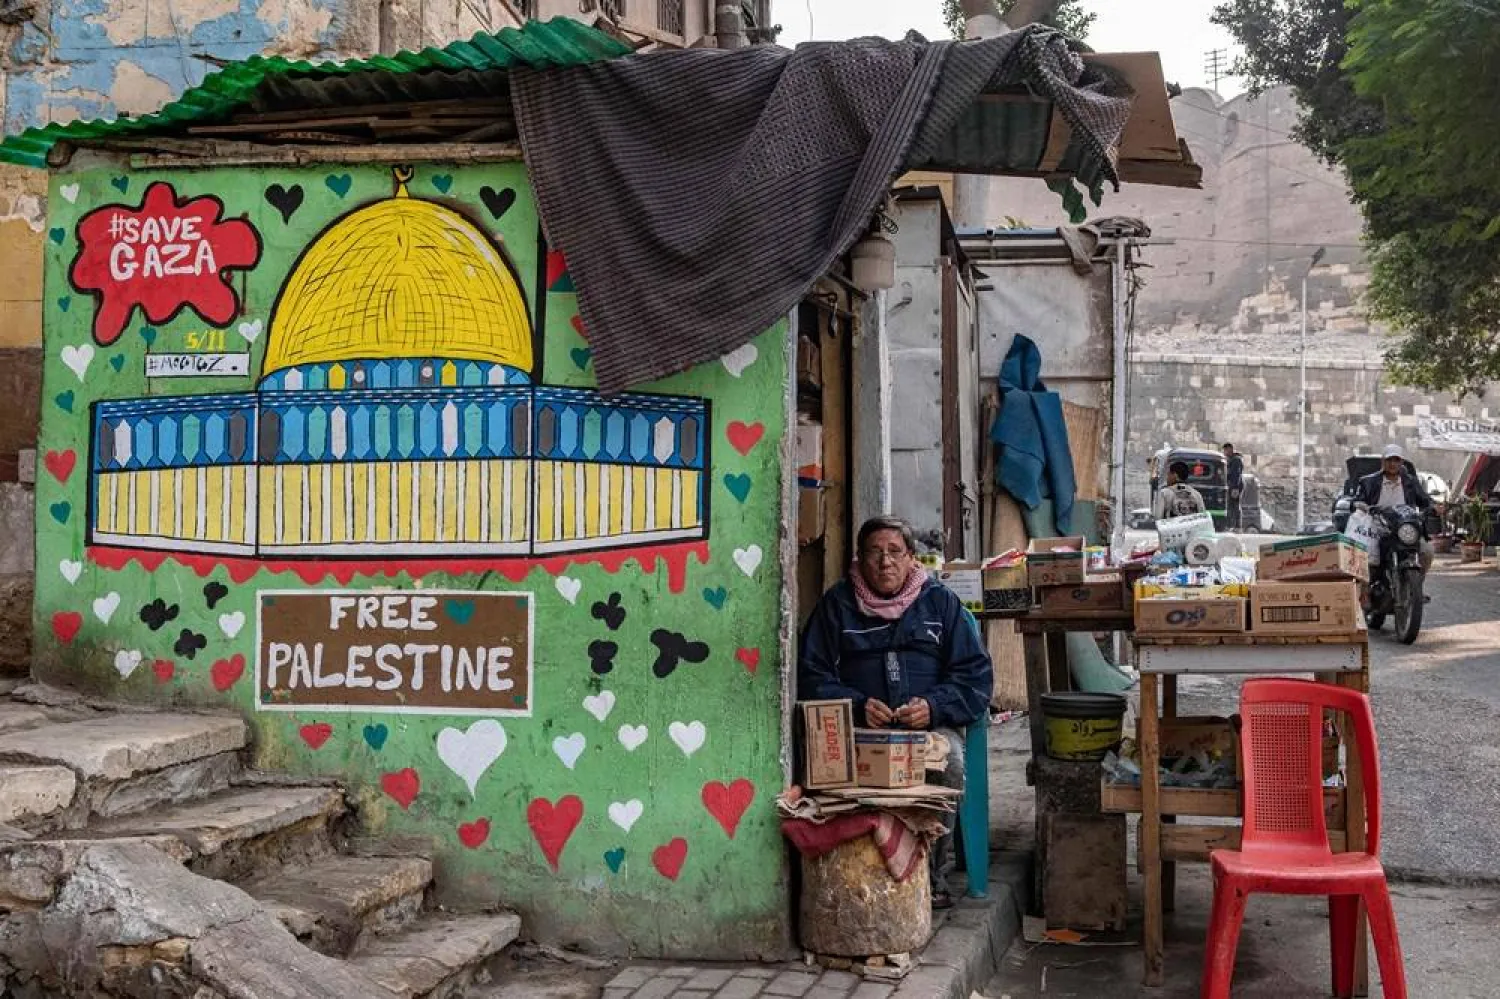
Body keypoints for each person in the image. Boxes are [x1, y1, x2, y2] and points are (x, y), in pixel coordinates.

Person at [798, 515, 994, 909]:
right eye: (874, 553)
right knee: (822, 767)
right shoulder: (837, 605)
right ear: (859, 558)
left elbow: (975, 677)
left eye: (894, 552)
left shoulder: (940, 603)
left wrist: (934, 706)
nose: (884, 562)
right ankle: (853, 882)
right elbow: (810, 673)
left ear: (910, 558)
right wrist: (855, 704)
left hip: (927, 729)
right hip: (859, 730)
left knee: (950, 761)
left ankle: (930, 877)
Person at [1357, 444, 1435, 571]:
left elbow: (1424, 500)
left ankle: (1416, 584)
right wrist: (1363, 506)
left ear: (1401, 462)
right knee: (1365, 554)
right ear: (1383, 461)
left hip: (1404, 528)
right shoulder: (1368, 482)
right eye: (1389, 460)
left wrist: (1433, 507)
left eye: (1396, 460)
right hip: (1377, 528)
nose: (1393, 464)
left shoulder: (1410, 482)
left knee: (1427, 551)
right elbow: (1359, 500)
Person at [1223, 442, 1244, 531]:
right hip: (1232, 485)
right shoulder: (1231, 459)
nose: (1224, 452)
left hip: (1236, 485)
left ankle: (1237, 526)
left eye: (1225, 450)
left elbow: (1236, 474)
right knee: (1231, 505)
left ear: (1230, 449)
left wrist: (1235, 488)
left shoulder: (1236, 460)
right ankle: (1233, 526)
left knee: (1235, 505)